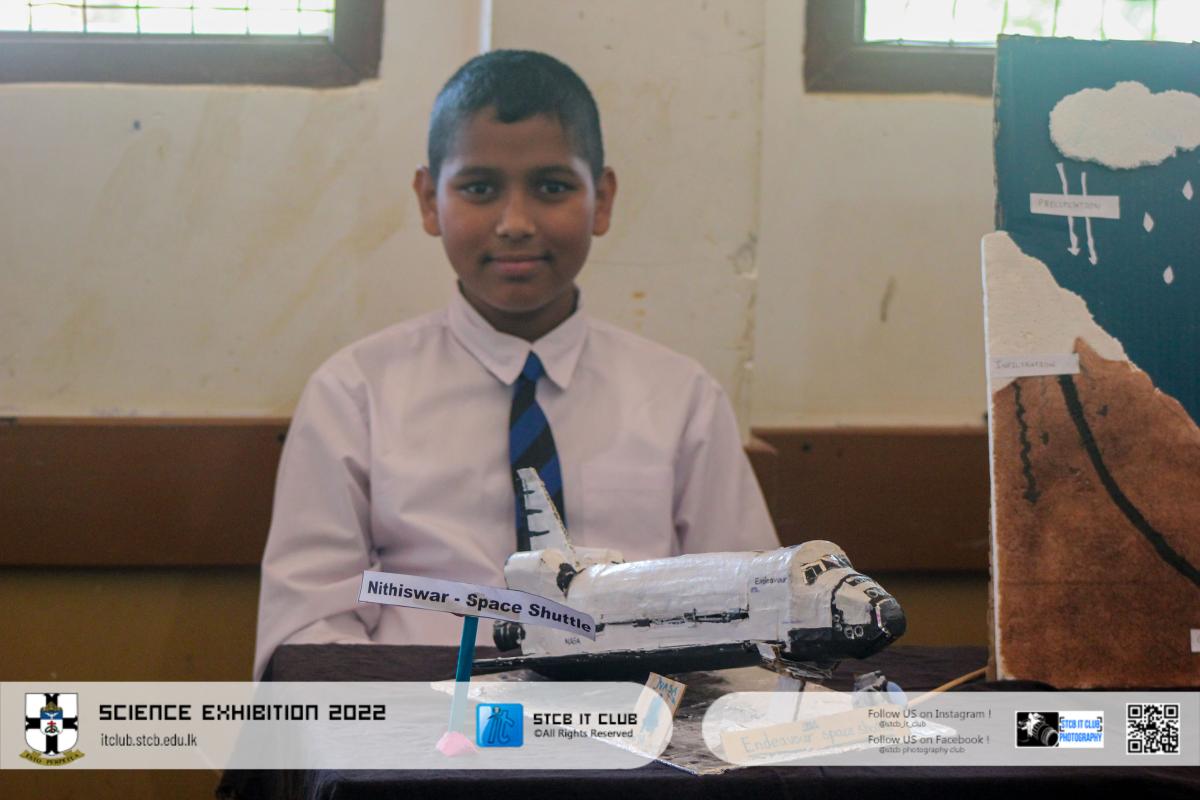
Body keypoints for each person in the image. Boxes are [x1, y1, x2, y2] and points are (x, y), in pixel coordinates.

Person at [253, 50, 779, 679]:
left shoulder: (682, 400)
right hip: (421, 727)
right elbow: (307, 635)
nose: (516, 223)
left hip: (641, 728)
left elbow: (755, 612)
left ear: (602, 199)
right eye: (479, 189)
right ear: (428, 200)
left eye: (552, 187)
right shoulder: (354, 395)